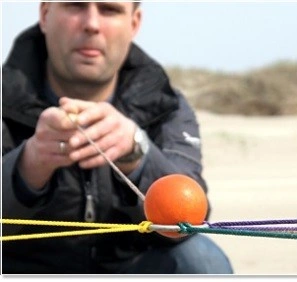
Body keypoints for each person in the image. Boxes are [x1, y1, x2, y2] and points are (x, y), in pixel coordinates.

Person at [2, 2, 233, 274]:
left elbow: (190, 221)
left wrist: (137, 153)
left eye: (109, 9)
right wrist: (27, 166)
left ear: (134, 23)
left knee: (202, 260)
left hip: (132, 263)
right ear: (44, 15)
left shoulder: (165, 104)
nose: (92, 24)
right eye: (75, 6)